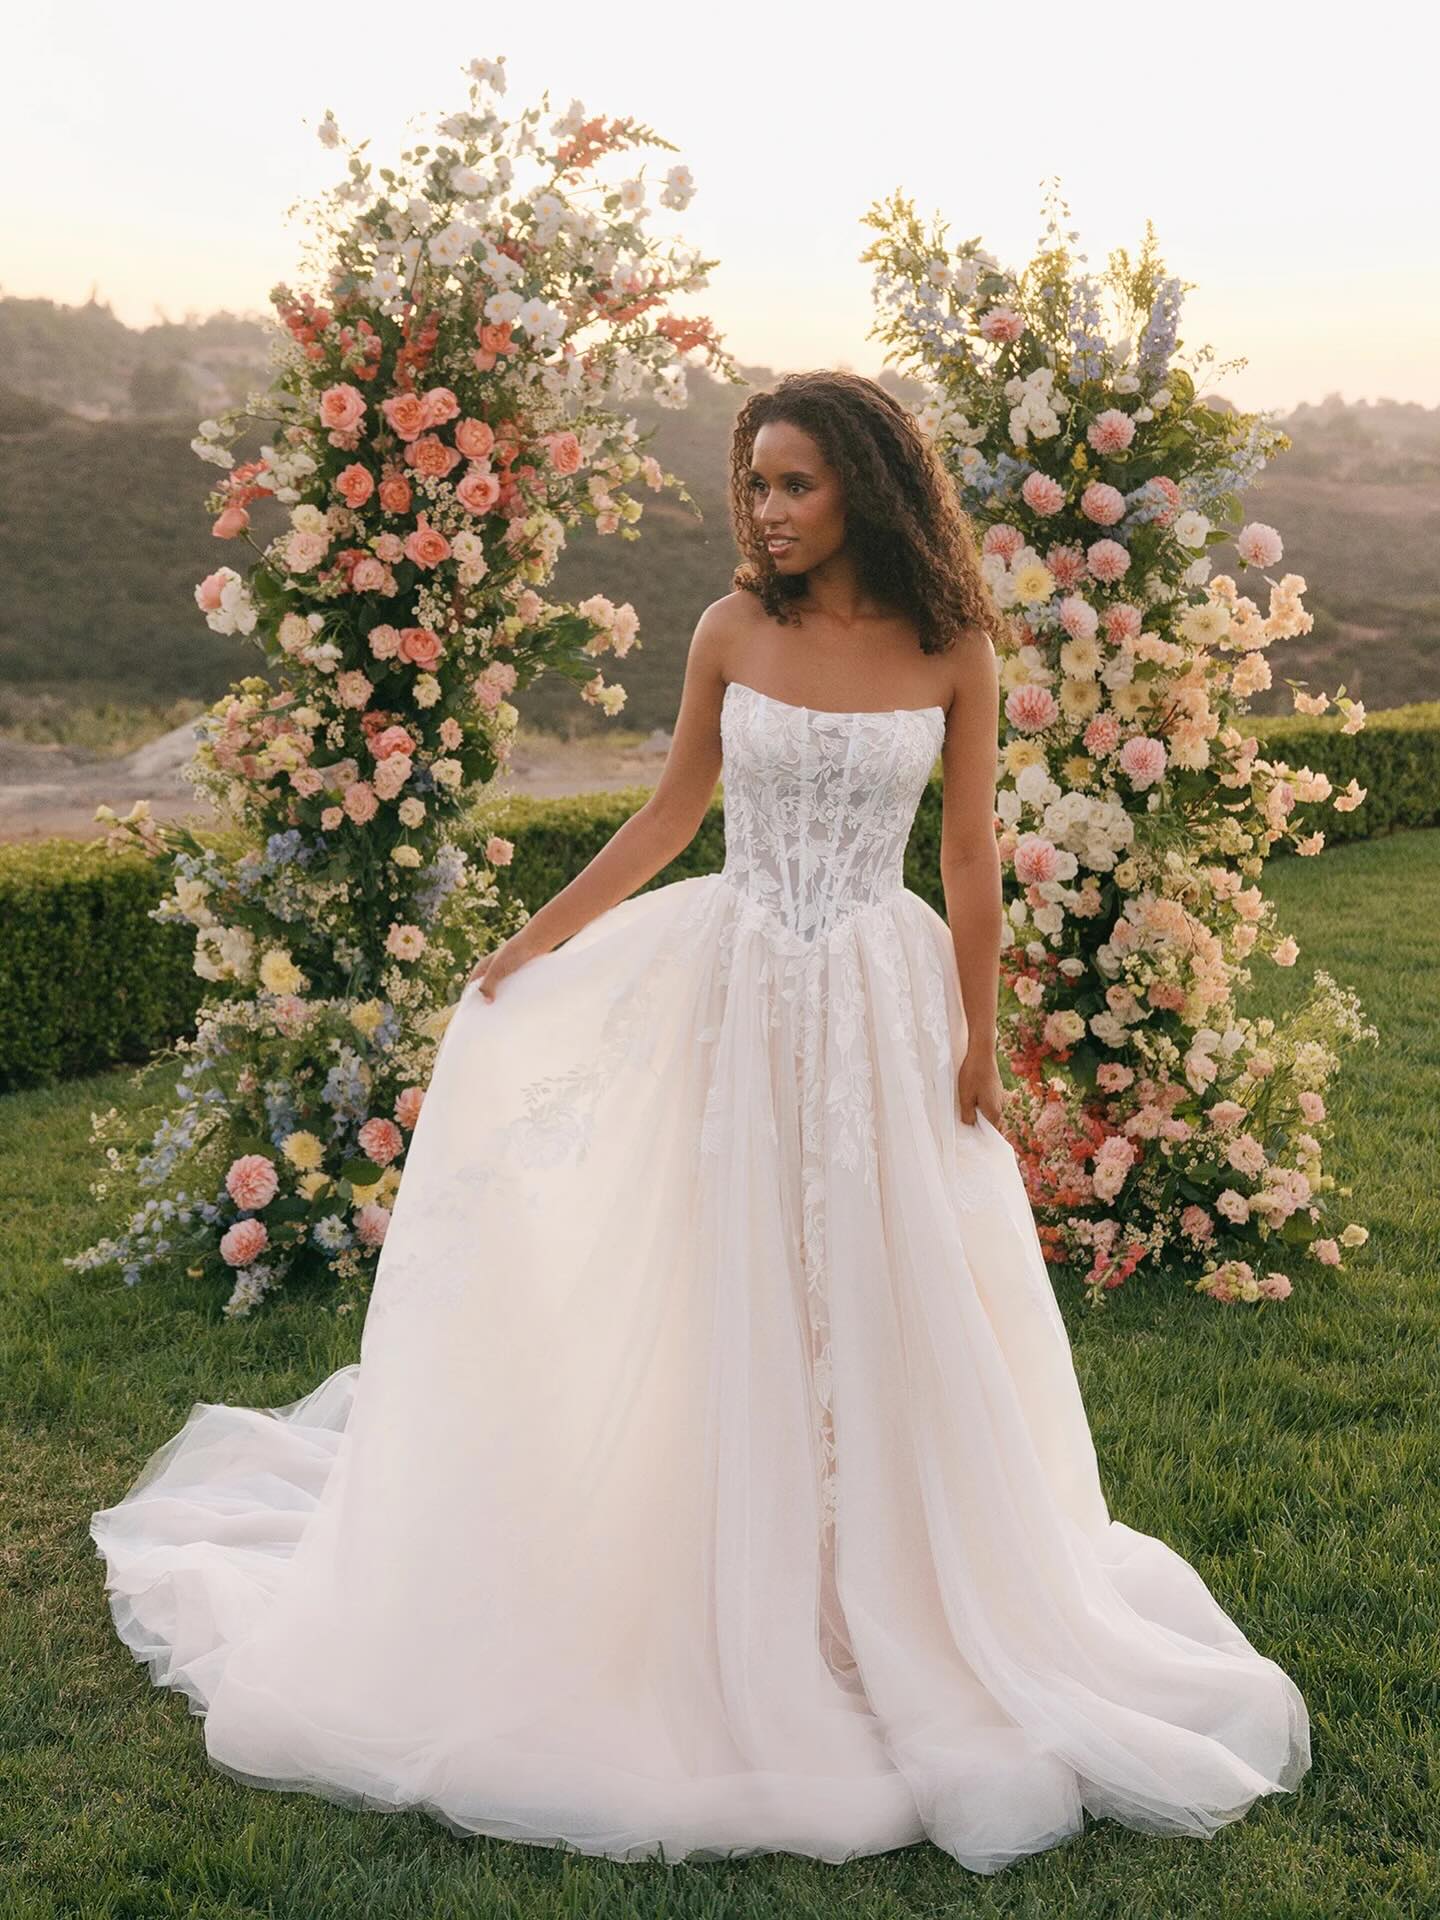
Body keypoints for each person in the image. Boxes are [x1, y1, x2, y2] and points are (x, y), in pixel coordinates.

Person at [90, 370, 1310, 1874]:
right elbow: (671, 815)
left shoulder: (953, 645)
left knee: (881, 1285)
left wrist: (983, 1036)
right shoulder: (731, 631)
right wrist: (530, 941)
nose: (769, 510)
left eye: (795, 483)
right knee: (726, 1272)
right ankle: (721, 1573)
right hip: (738, 986)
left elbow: (972, 849)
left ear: (862, 482)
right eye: (755, 484)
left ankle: (889, 1588)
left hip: (878, 995)